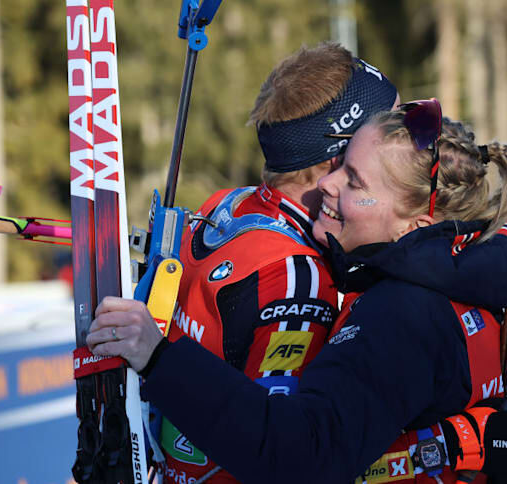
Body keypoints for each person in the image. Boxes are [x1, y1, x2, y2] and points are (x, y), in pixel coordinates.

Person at [88, 101, 507, 483]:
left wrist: (159, 357)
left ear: (414, 226)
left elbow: (299, 456)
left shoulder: (401, 314)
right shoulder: (465, 275)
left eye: (354, 182)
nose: (327, 185)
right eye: (340, 166)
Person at [151, 42, 400, 483]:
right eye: (390, 133)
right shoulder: (295, 275)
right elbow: (278, 449)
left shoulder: (230, 204)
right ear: (340, 156)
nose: (404, 148)